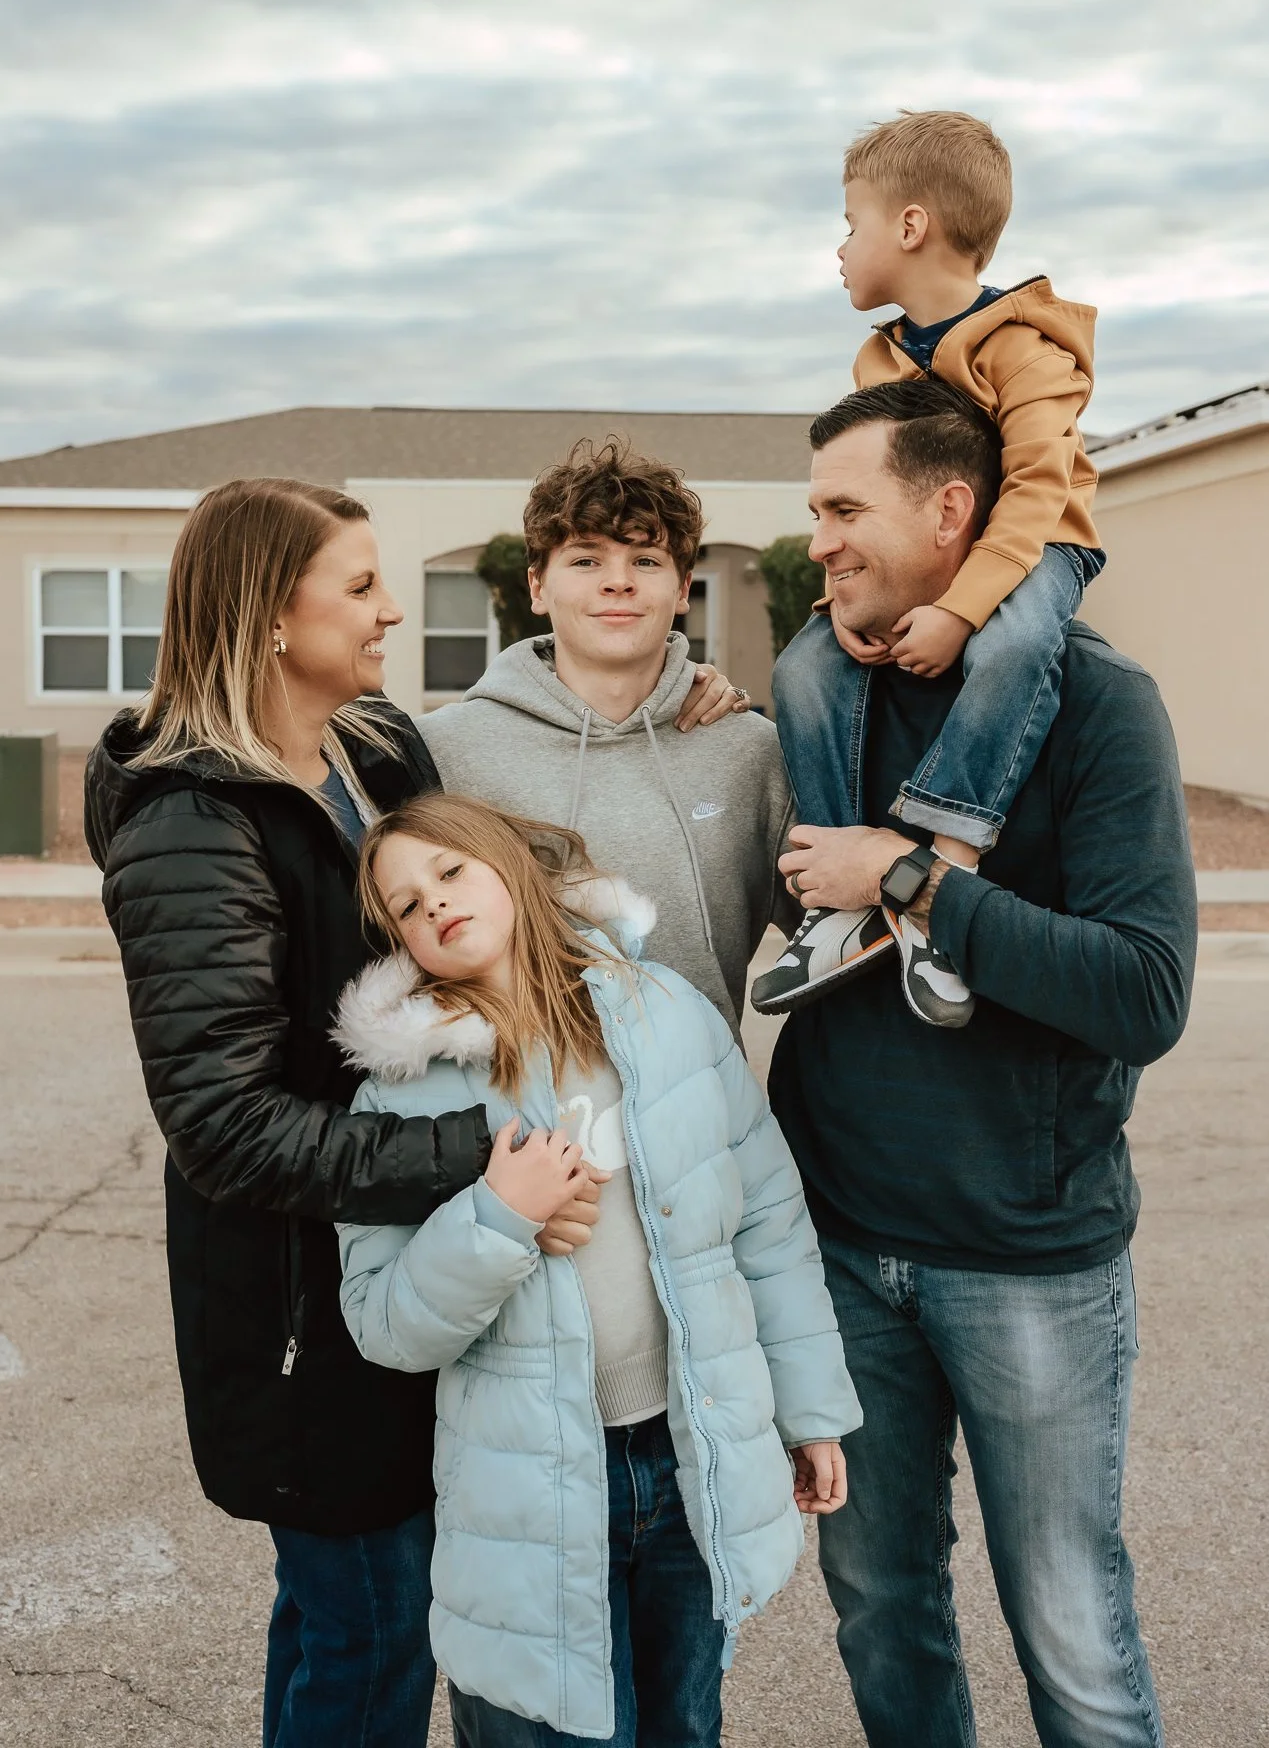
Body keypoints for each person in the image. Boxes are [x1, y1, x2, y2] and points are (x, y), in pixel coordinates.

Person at [765, 382, 1197, 1747]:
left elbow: (1143, 990)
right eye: (813, 513)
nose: (818, 542)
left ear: (952, 513)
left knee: (1071, 1637)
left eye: (846, 510)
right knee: (882, 1614)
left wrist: (908, 879)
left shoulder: (1096, 705)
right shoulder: (820, 697)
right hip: (839, 1249)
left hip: (1027, 1259)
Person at [83, 477, 494, 1748]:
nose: (389, 611)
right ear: (271, 612)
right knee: (367, 1630)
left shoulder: (376, 753)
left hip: (403, 1275)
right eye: (361, 584)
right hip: (301, 1314)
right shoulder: (192, 821)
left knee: (340, 1625)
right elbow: (223, 1121)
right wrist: (479, 1155)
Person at [332, 792, 862, 1747]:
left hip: (688, 1453)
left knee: (681, 1726)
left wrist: (810, 1409)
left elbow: (769, 1229)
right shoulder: (400, 1094)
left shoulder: (667, 1015)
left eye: (449, 872)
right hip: (529, 1489)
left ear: (510, 865)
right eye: (406, 906)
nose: (435, 906)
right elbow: (384, 1323)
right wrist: (500, 1218)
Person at [755, 109, 1105, 1028]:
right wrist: (845, 600)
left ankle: (940, 872)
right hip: (933, 569)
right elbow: (871, 502)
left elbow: (1036, 488)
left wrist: (962, 608)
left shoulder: (1025, 347)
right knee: (802, 667)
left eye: (849, 223)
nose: (838, 248)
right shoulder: (882, 359)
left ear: (909, 226)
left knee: (1017, 643)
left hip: (1037, 550)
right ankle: (842, 900)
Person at [419, 437, 797, 1032]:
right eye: (586, 560)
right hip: (516, 1115)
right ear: (538, 588)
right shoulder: (441, 751)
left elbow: (833, 936)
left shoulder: (751, 750)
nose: (618, 582)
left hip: (704, 1104)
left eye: (646, 561)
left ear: (682, 590)